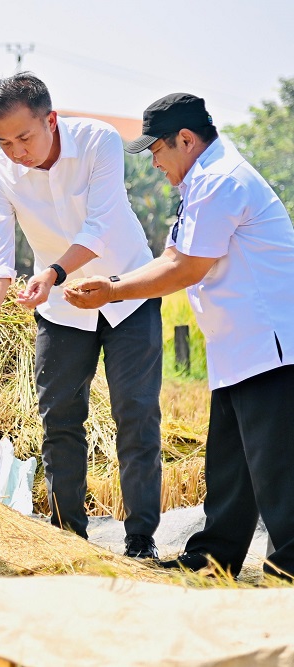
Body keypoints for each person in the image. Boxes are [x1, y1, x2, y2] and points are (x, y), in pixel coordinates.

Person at [65, 93, 294, 580]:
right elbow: (172, 256)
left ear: (186, 140)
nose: (154, 162)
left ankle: (289, 569)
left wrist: (112, 291)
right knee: (230, 464)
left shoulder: (219, 181)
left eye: (157, 150)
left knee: (277, 467)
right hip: (240, 347)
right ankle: (215, 558)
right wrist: (114, 284)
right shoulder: (201, 184)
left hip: (270, 345)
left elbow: (185, 268)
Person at [0, 73, 163, 559]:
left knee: (136, 415)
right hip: (62, 309)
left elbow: (102, 225)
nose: (15, 151)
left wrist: (52, 272)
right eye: (3, 141)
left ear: (51, 119)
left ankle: (141, 543)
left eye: (24, 137)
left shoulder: (98, 141)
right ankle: (69, 540)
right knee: (60, 420)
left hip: (126, 293)